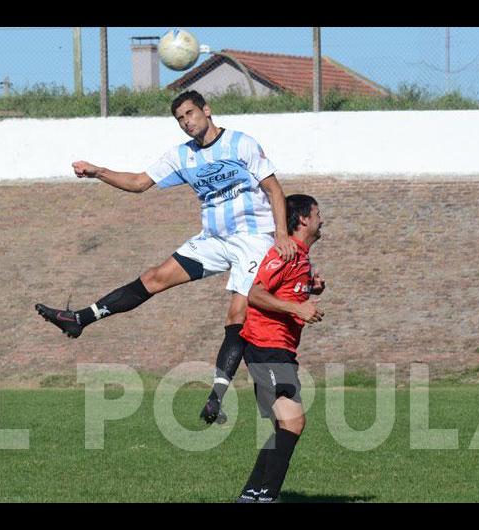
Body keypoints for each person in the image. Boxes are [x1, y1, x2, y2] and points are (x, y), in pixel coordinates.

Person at [35, 90, 297, 425]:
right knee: (154, 276)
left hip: (253, 240)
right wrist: (97, 171)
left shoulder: (242, 144)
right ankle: (80, 319)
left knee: (237, 313)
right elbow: (139, 182)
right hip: (213, 239)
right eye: (180, 119)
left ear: (207, 110)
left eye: (190, 113)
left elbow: (274, 189)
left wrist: (282, 235)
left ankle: (215, 399)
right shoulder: (182, 156)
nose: (187, 122)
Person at [236, 194, 325, 503]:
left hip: (280, 349)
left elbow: (288, 288)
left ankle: (252, 496)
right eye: (316, 214)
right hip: (265, 344)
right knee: (293, 422)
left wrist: (310, 289)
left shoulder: (302, 258)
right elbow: (255, 294)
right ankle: (265, 497)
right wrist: (297, 309)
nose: (321, 219)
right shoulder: (285, 252)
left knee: (285, 424)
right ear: (302, 219)